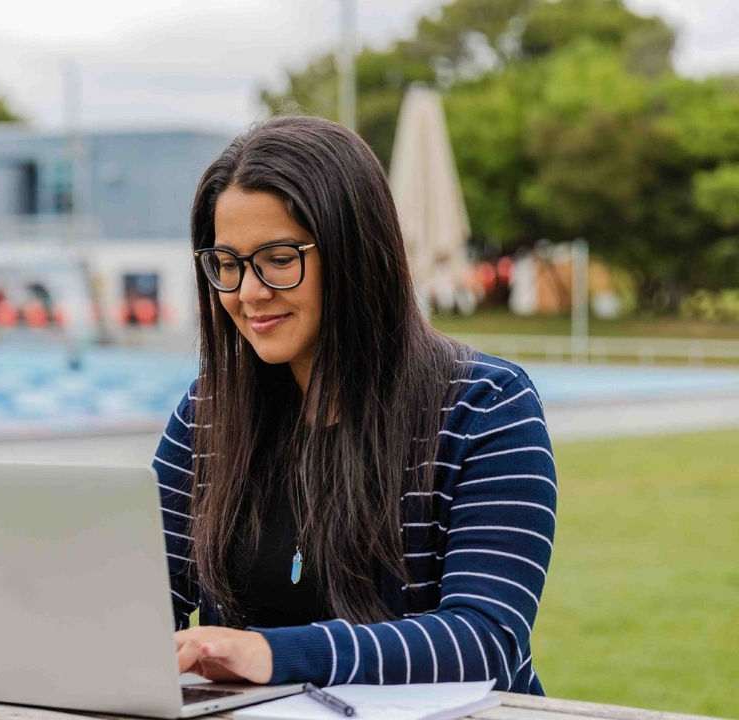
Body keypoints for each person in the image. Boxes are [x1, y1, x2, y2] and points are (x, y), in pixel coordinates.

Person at [161, 116, 556, 695]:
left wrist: (277, 652)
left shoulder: (485, 407)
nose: (248, 293)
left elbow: (485, 639)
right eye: (227, 263)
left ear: (353, 253)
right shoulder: (209, 413)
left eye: (277, 257)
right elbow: (140, 603)